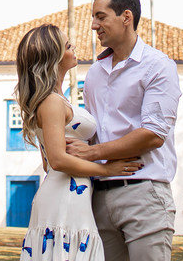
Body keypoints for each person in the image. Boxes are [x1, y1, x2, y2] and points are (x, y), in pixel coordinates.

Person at [67, 0, 181, 261]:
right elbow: (93, 132)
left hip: (144, 192)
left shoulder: (158, 66)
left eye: (101, 17)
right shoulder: (94, 74)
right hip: (98, 197)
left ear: (126, 17)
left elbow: (153, 134)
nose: (94, 25)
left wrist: (94, 154)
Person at [15, 24, 144, 260]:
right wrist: (106, 168)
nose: (73, 47)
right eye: (66, 45)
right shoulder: (52, 102)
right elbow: (56, 160)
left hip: (70, 194)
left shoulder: (56, 99)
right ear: (53, 57)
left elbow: (47, 163)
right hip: (63, 198)